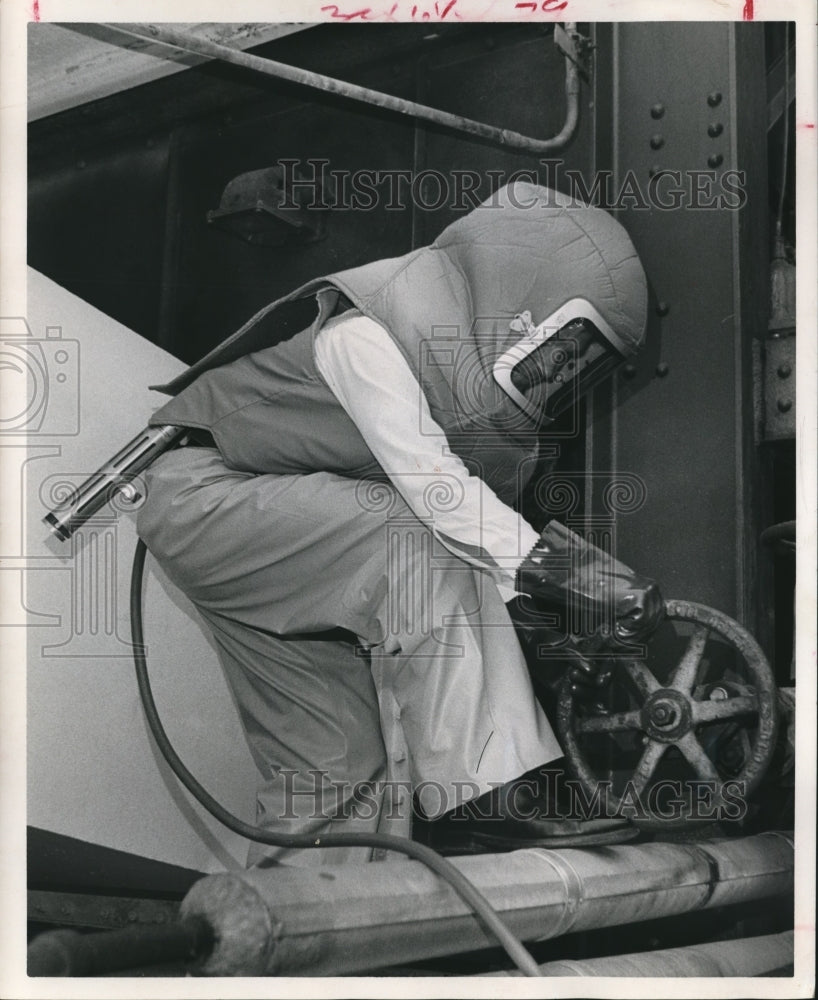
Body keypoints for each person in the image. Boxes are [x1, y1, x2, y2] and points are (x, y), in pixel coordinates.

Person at [137, 181, 662, 867]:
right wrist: (576, 577)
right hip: (204, 500)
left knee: (338, 772)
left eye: (583, 367)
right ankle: (484, 797)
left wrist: (551, 625)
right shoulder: (371, 329)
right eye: (566, 351)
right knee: (411, 539)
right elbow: (437, 497)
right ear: (520, 306)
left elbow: (474, 553)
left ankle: (292, 916)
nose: (563, 376)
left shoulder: (469, 398)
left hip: (276, 554)